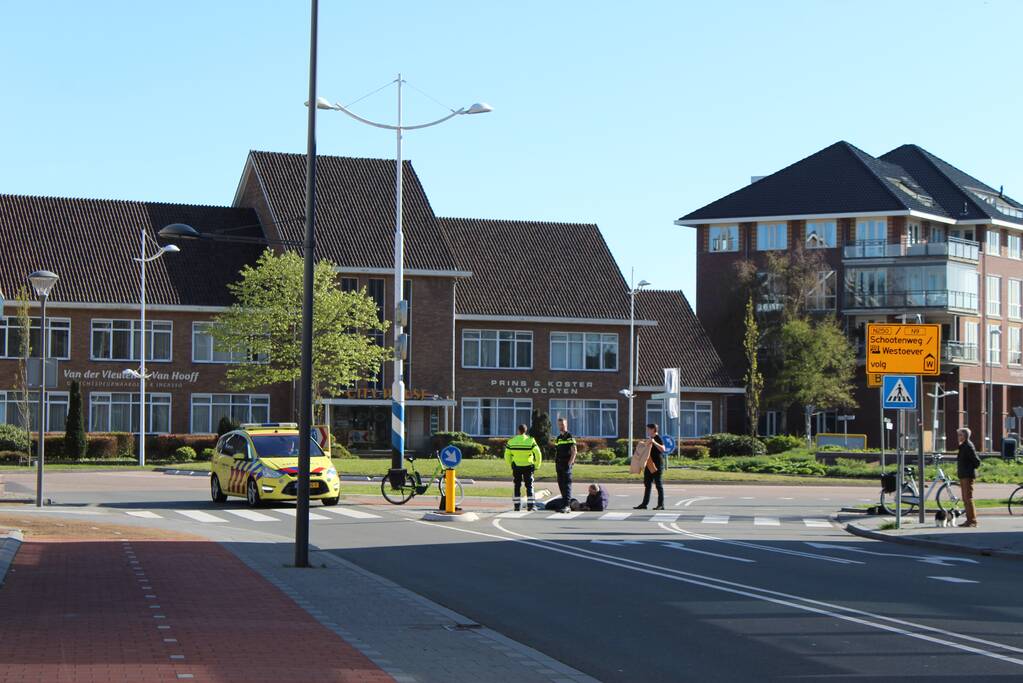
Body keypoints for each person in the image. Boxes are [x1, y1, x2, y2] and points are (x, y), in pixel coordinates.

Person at [504, 424, 543, 511]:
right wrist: (537, 465)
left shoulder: (511, 441)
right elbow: (538, 453)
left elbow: (507, 455)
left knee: (517, 486)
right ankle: (531, 505)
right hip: (528, 466)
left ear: (518, 430)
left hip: (517, 466)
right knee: (529, 486)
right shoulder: (530, 441)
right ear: (526, 431)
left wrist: (511, 463)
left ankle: (517, 506)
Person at [634, 423, 666, 510]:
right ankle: (644, 504)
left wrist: (654, 442)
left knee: (658, 485)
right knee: (647, 484)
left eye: (648, 429)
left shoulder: (657, 438)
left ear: (653, 429)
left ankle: (661, 505)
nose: (647, 430)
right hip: (649, 464)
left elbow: (663, 449)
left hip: (657, 465)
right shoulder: (649, 438)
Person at [956, 427, 981, 527]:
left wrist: (968, 468)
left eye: (960, 435)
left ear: (965, 436)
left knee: (968, 498)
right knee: (965, 499)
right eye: (958, 435)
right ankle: (968, 520)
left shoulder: (968, 446)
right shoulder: (963, 446)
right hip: (963, 475)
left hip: (967, 476)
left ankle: (973, 521)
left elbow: (977, 461)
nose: (959, 437)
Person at [553, 417, 577, 513]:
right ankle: (564, 504)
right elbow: (557, 451)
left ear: (566, 424)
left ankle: (567, 505)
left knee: (567, 485)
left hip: (566, 464)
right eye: (559, 424)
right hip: (559, 464)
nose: (561, 426)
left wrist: (570, 463)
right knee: (561, 484)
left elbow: (574, 451)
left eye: (562, 424)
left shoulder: (569, 436)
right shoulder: (558, 438)